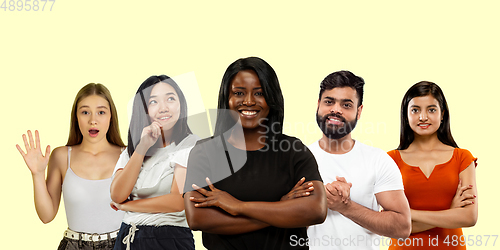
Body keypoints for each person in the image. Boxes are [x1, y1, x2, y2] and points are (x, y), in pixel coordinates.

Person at [183, 56, 327, 250]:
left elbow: (316, 210)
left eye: (259, 93)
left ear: (272, 98)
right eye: (239, 93)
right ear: (227, 98)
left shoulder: (293, 150)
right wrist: (280, 208)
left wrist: (238, 207)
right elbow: (198, 219)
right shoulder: (205, 152)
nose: (249, 101)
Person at [307, 70, 411, 250]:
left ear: (359, 111)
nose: (336, 110)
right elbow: (277, 224)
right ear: (318, 105)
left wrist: (345, 206)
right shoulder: (299, 158)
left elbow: (402, 227)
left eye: (346, 105)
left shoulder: (378, 160)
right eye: (329, 102)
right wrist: (316, 200)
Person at [16, 83, 126, 250]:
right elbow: (46, 216)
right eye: (85, 112)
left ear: (111, 116)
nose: (93, 120)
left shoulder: (128, 156)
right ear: (76, 117)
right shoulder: (61, 157)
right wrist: (37, 174)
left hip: (120, 244)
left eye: (101, 112)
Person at [110, 75, 197, 250]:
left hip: (168, 239)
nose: (163, 108)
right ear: (144, 109)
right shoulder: (134, 150)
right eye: (154, 102)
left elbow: (177, 201)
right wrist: (142, 147)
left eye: (170, 99)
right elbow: (117, 195)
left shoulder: (192, 144)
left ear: (181, 104)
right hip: (127, 237)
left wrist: (127, 206)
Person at [387, 81, 478, 249]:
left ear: (442, 114)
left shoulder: (462, 158)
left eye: (431, 110)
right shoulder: (390, 160)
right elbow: (389, 227)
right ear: (406, 115)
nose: (423, 117)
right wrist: (451, 213)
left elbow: (469, 218)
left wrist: (410, 215)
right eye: (415, 110)